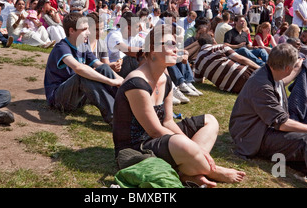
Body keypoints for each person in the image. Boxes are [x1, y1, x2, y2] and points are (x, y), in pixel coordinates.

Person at [112, 24, 246, 188]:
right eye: (169, 44)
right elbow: (154, 131)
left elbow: (168, 121)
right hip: (138, 146)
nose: (175, 49)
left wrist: (193, 148)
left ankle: (190, 168)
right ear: (152, 51)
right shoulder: (137, 83)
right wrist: (194, 147)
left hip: (160, 136)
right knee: (183, 144)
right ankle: (212, 170)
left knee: (210, 121)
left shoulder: (165, 76)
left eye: (175, 44)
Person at [229, 43, 307, 188]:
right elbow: (281, 123)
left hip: (261, 128)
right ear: (286, 68)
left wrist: (296, 70)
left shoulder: (269, 73)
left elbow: (281, 82)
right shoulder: (261, 85)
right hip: (251, 136)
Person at [44, 12, 124, 124]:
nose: (89, 32)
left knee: (104, 68)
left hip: (78, 97)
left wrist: (122, 80)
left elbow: (100, 65)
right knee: (82, 75)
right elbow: (78, 68)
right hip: (59, 100)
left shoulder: (83, 46)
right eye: (84, 29)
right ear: (72, 31)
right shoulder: (61, 47)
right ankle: (116, 120)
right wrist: (110, 81)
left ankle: (127, 109)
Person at [194, 34, 260, 94]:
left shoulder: (197, 62)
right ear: (212, 41)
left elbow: (198, 81)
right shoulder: (219, 47)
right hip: (244, 74)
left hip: (232, 88)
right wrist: (260, 68)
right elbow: (241, 59)